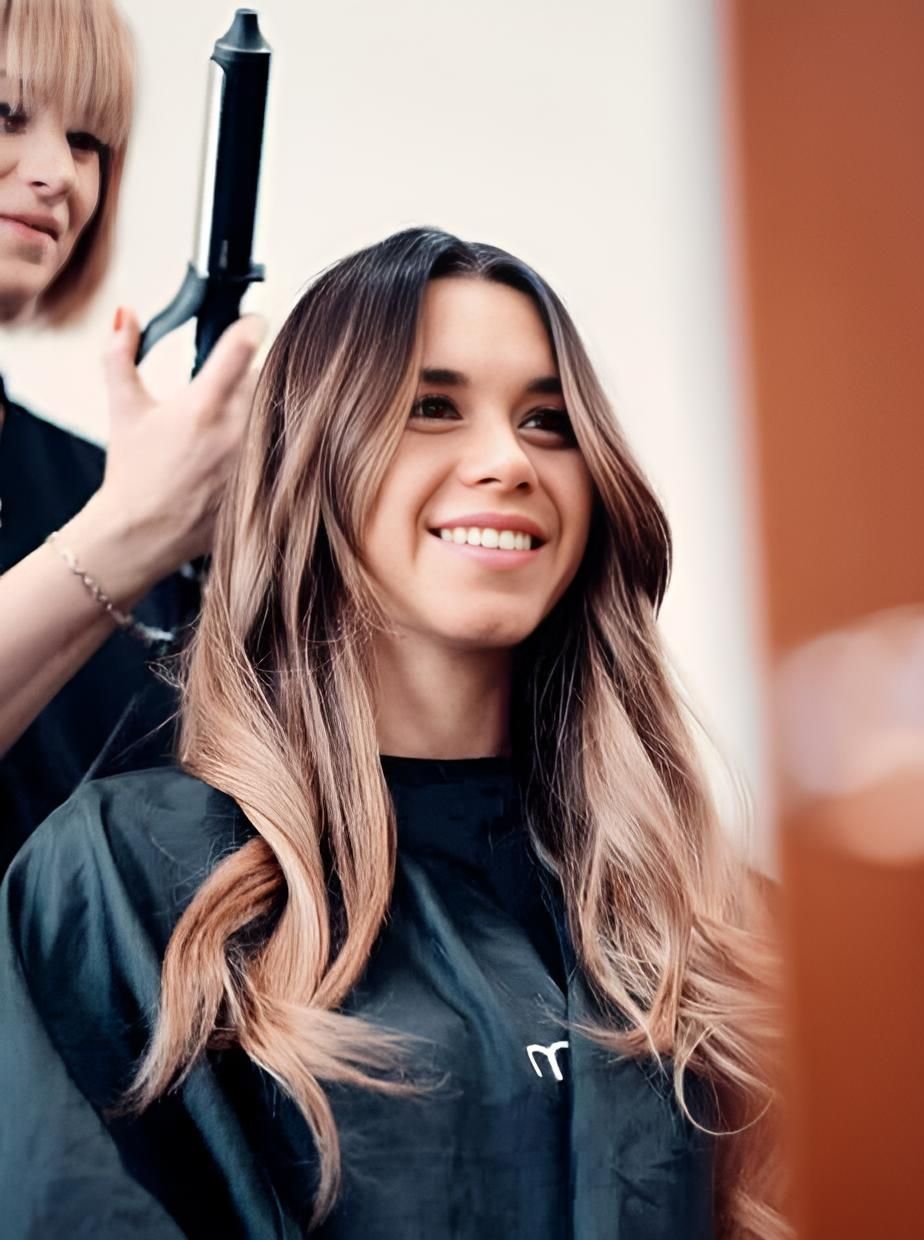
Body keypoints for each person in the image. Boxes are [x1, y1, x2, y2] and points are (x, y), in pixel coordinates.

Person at [0, 227, 786, 1239]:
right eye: (432, 407)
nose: (507, 461)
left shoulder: (716, 921)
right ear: (314, 463)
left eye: (548, 421)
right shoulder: (128, 881)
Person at [0, 0, 263, 873]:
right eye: (4, 113)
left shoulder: (95, 484)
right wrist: (131, 531)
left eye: (87, 141)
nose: (58, 176)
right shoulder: (129, 513)